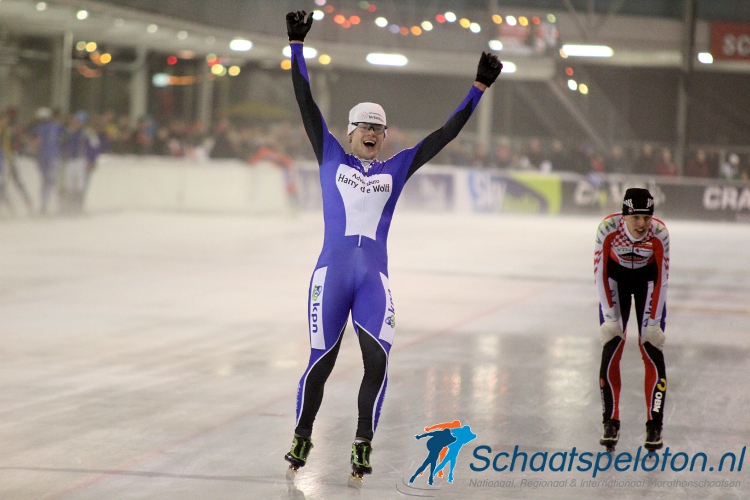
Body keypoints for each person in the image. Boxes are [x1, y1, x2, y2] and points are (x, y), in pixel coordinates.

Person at [282, 10, 502, 481]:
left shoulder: (396, 168)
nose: (371, 133)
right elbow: (305, 102)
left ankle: (363, 443)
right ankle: (303, 433)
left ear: (384, 137)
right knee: (320, 363)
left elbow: (445, 135)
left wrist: (477, 89)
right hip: (332, 275)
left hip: (371, 281)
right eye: (363, 126)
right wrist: (297, 45)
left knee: (377, 360)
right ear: (350, 131)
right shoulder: (329, 154)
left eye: (378, 128)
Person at [594, 188, 669, 454]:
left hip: (648, 282)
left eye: (647, 218)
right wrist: (610, 316)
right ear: (624, 215)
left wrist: (654, 323)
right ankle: (610, 423)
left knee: (651, 347)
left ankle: (654, 426)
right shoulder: (607, 228)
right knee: (612, 347)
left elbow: (661, 280)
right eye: (636, 217)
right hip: (616, 281)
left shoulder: (660, 233)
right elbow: (601, 274)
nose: (642, 224)